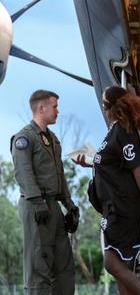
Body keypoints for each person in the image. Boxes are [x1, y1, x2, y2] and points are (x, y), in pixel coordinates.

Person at [74, 86, 140, 295]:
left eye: (104, 104)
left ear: (110, 107)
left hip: (123, 209)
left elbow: (138, 173)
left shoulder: (124, 132)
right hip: (114, 206)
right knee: (122, 266)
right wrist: (88, 161)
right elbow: (108, 161)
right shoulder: (114, 131)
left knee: (111, 263)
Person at [11, 90, 78, 295]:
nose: (58, 111)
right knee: (38, 267)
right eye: (55, 106)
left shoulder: (53, 140)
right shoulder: (24, 138)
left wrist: (70, 205)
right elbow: (23, 173)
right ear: (42, 108)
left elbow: (60, 175)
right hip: (35, 206)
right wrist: (37, 202)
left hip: (53, 207)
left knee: (64, 267)